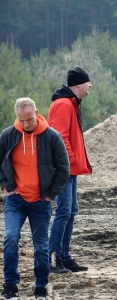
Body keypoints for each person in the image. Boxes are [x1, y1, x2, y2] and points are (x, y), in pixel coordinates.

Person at [0, 98, 69, 300]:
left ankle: (41, 287)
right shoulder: (8, 135)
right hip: (16, 200)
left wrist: (51, 194)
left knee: (41, 246)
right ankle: (10, 286)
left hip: (41, 201)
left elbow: (64, 169)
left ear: (37, 112)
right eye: (21, 120)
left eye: (29, 119)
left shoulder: (51, 137)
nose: (25, 124)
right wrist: (4, 184)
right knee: (10, 238)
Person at [48, 67, 92, 273]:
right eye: (87, 82)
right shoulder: (63, 104)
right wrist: (69, 161)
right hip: (64, 168)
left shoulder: (71, 103)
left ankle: (64, 257)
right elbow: (59, 137)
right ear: (77, 85)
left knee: (71, 210)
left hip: (69, 169)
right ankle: (53, 259)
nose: (90, 85)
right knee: (64, 211)